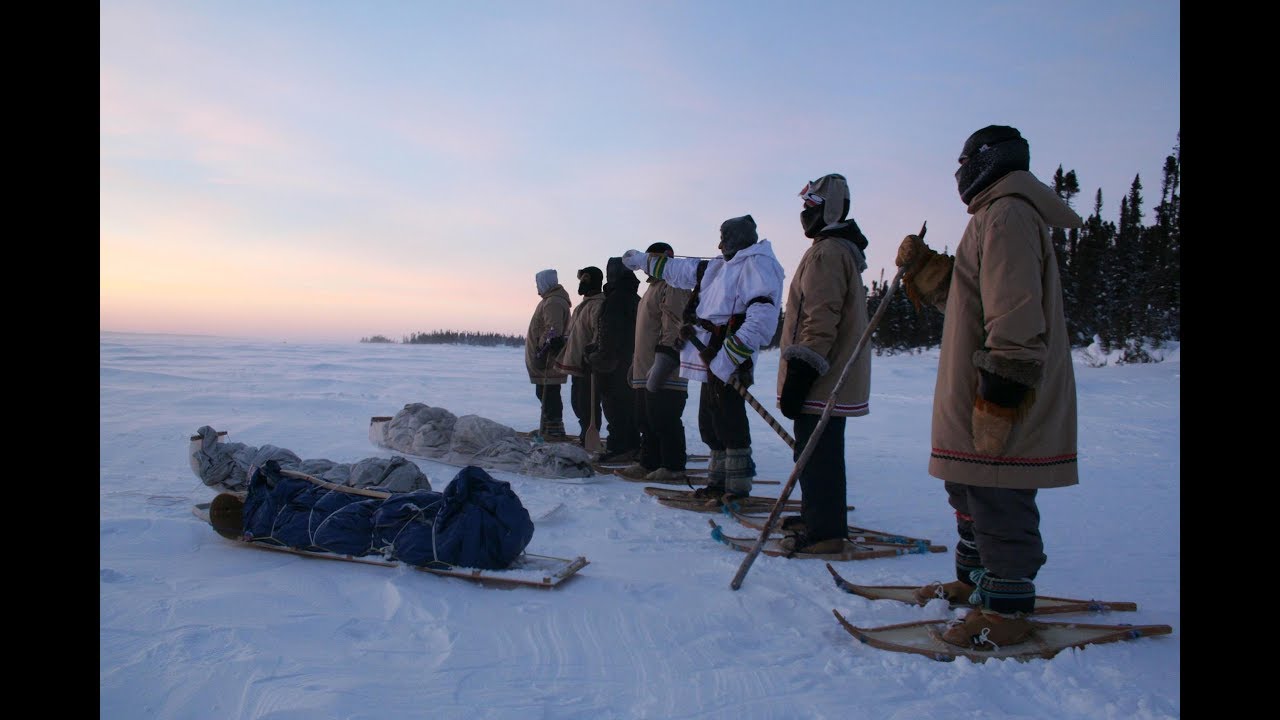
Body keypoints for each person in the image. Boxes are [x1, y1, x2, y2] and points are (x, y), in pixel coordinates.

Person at [895, 124, 1083, 650]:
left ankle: (1007, 605)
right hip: (974, 388)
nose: (958, 172)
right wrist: (929, 270)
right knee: (971, 487)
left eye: (963, 161)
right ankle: (974, 579)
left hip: (1001, 394)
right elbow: (972, 298)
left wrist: (999, 401)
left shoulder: (1007, 216)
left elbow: (1016, 318)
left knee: (999, 495)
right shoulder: (991, 216)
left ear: (985, 161)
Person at [622, 214, 784, 504]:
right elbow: (679, 270)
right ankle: (718, 482)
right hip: (709, 353)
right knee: (710, 421)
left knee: (729, 418)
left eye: (723, 236)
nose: (719, 242)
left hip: (730, 352)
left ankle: (737, 486)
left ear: (735, 237)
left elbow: (762, 317)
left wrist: (729, 357)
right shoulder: (719, 266)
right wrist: (642, 260)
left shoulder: (758, 264)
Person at [774, 173, 872, 555]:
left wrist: (802, 371)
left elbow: (820, 316)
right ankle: (819, 515)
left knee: (819, 452)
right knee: (813, 450)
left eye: (811, 207)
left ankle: (827, 530)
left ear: (829, 209)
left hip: (823, 375)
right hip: (829, 375)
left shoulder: (828, 253)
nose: (804, 214)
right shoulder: (833, 249)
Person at [614, 243, 693, 484]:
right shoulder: (653, 288)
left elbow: (676, 328)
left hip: (667, 370)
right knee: (645, 418)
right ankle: (649, 462)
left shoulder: (674, 285)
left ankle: (673, 466)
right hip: (645, 367)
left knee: (664, 418)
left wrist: (664, 361)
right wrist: (636, 364)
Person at [587, 257, 642, 463]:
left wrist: (599, 355)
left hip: (615, 363)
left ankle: (620, 447)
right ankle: (631, 444)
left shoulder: (616, 299)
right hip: (630, 361)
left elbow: (611, 333)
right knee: (627, 406)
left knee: (615, 406)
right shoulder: (634, 297)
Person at [556, 266, 606, 446]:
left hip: (589, 364)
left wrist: (593, 353)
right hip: (576, 362)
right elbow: (573, 332)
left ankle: (590, 434)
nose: (581, 284)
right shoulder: (582, 306)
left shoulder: (597, 305)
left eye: (585, 280)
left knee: (588, 402)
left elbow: (598, 333)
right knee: (577, 401)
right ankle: (584, 430)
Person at [524, 268, 572, 440]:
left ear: (545, 283)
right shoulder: (551, 300)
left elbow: (553, 330)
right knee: (545, 393)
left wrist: (542, 352)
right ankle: (547, 427)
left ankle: (554, 429)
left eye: (538, 283)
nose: (537, 287)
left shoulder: (553, 302)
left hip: (547, 360)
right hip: (545, 359)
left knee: (549, 393)